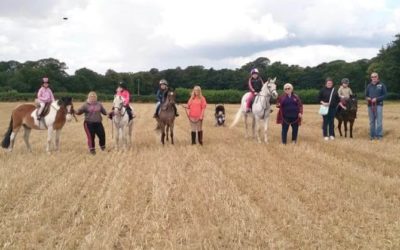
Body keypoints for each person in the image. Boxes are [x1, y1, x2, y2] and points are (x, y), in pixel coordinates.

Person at [365, 72, 387, 140]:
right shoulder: (369, 86)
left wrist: (377, 99)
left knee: (379, 121)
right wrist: (367, 98)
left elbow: (385, 95)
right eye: (372, 77)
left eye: (375, 76)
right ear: (371, 78)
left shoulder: (382, 85)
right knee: (372, 121)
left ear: (378, 77)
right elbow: (365, 95)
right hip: (370, 105)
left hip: (379, 105)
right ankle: (372, 136)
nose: (374, 78)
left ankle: (379, 136)